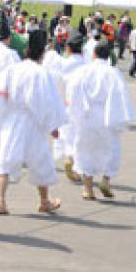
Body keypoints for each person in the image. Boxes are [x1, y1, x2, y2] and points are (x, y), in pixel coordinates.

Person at [0, 30, 67, 216]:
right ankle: (44, 201)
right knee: (41, 161)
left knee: (6, 159)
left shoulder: (13, 69)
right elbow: (47, 102)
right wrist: (53, 126)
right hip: (34, 122)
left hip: (13, 119)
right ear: (42, 52)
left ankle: (0, 200)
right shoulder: (43, 74)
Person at [66, 41, 135, 200]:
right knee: (110, 150)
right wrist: (120, 119)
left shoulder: (83, 71)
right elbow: (120, 96)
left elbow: (73, 93)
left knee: (85, 150)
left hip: (87, 116)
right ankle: (105, 180)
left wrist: (73, 114)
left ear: (94, 54)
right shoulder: (113, 73)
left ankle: (88, 189)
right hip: (107, 116)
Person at [47, 32, 88, 183]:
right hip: (82, 107)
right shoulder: (87, 65)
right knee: (80, 136)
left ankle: (69, 157)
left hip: (65, 105)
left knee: (67, 135)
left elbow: (54, 84)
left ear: (68, 48)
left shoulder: (62, 64)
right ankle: (77, 165)